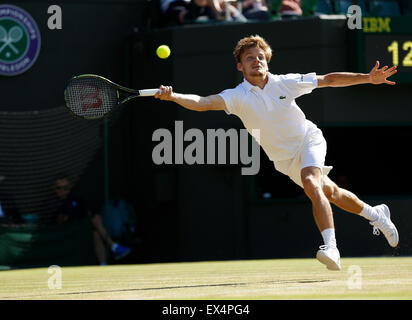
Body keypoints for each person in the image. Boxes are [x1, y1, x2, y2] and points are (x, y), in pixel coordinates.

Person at [153, 35, 399, 271]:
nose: (256, 60)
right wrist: (173, 96)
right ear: (240, 66)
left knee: (311, 183)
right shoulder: (236, 97)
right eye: (250, 57)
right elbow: (203, 102)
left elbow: (329, 80)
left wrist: (367, 78)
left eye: (261, 56)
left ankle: (331, 248)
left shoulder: (285, 82)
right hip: (284, 159)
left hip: (308, 140)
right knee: (330, 192)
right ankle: (376, 214)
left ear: (267, 61)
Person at [53, 174, 131, 265]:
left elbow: (84, 214)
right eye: (59, 188)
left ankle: (104, 264)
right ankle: (113, 246)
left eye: (65, 188)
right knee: (95, 223)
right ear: (54, 189)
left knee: (96, 232)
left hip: (80, 231)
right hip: (63, 234)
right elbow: (58, 222)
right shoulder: (52, 203)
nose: (63, 191)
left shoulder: (74, 199)